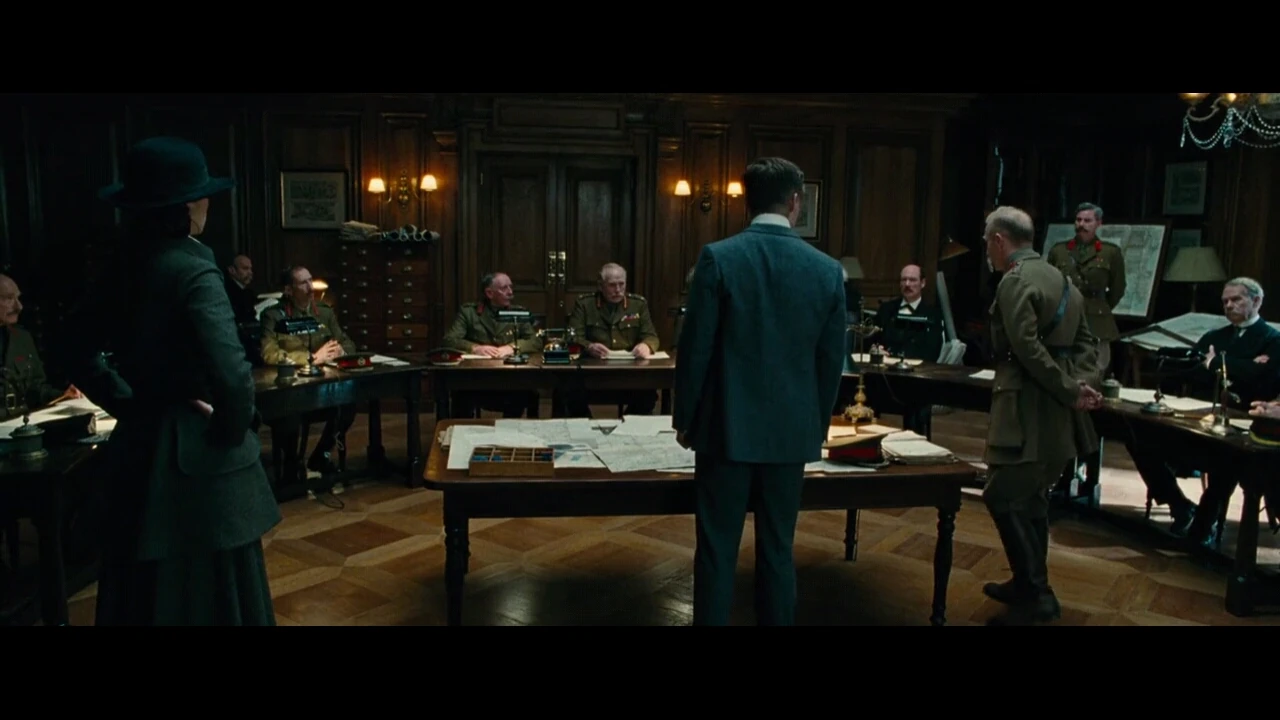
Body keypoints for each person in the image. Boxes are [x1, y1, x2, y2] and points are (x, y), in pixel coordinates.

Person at [58, 136, 281, 626]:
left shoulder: (120, 265)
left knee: (140, 594)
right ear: (186, 206)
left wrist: (128, 402)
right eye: (202, 195)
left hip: (139, 450)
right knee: (216, 594)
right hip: (199, 463)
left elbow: (72, 347)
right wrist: (229, 429)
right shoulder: (194, 268)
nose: (207, 204)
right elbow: (231, 374)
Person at [673, 157, 847, 626]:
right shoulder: (827, 270)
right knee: (778, 549)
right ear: (796, 202)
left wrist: (684, 419)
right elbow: (830, 363)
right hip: (791, 433)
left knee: (716, 550)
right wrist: (817, 425)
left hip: (723, 430)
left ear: (747, 203)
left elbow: (694, 352)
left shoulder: (719, 258)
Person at [980, 206, 1103, 625]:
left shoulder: (1014, 281)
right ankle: (1026, 582)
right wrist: (1082, 385)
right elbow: (1087, 344)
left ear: (999, 241)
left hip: (1025, 409)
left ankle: (1038, 595)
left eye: (988, 242)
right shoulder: (1063, 280)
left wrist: (1072, 390)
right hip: (1058, 413)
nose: (988, 250)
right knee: (1032, 499)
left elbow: (1027, 349)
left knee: (1000, 495)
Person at [1045, 203, 1125, 374]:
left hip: (1096, 319)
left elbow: (1118, 288)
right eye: (1078, 220)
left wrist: (1101, 306)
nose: (1081, 224)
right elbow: (1048, 284)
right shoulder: (1059, 251)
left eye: (1087, 221)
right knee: (1061, 368)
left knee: (1097, 368)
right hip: (1064, 316)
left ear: (1098, 223)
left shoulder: (1110, 252)